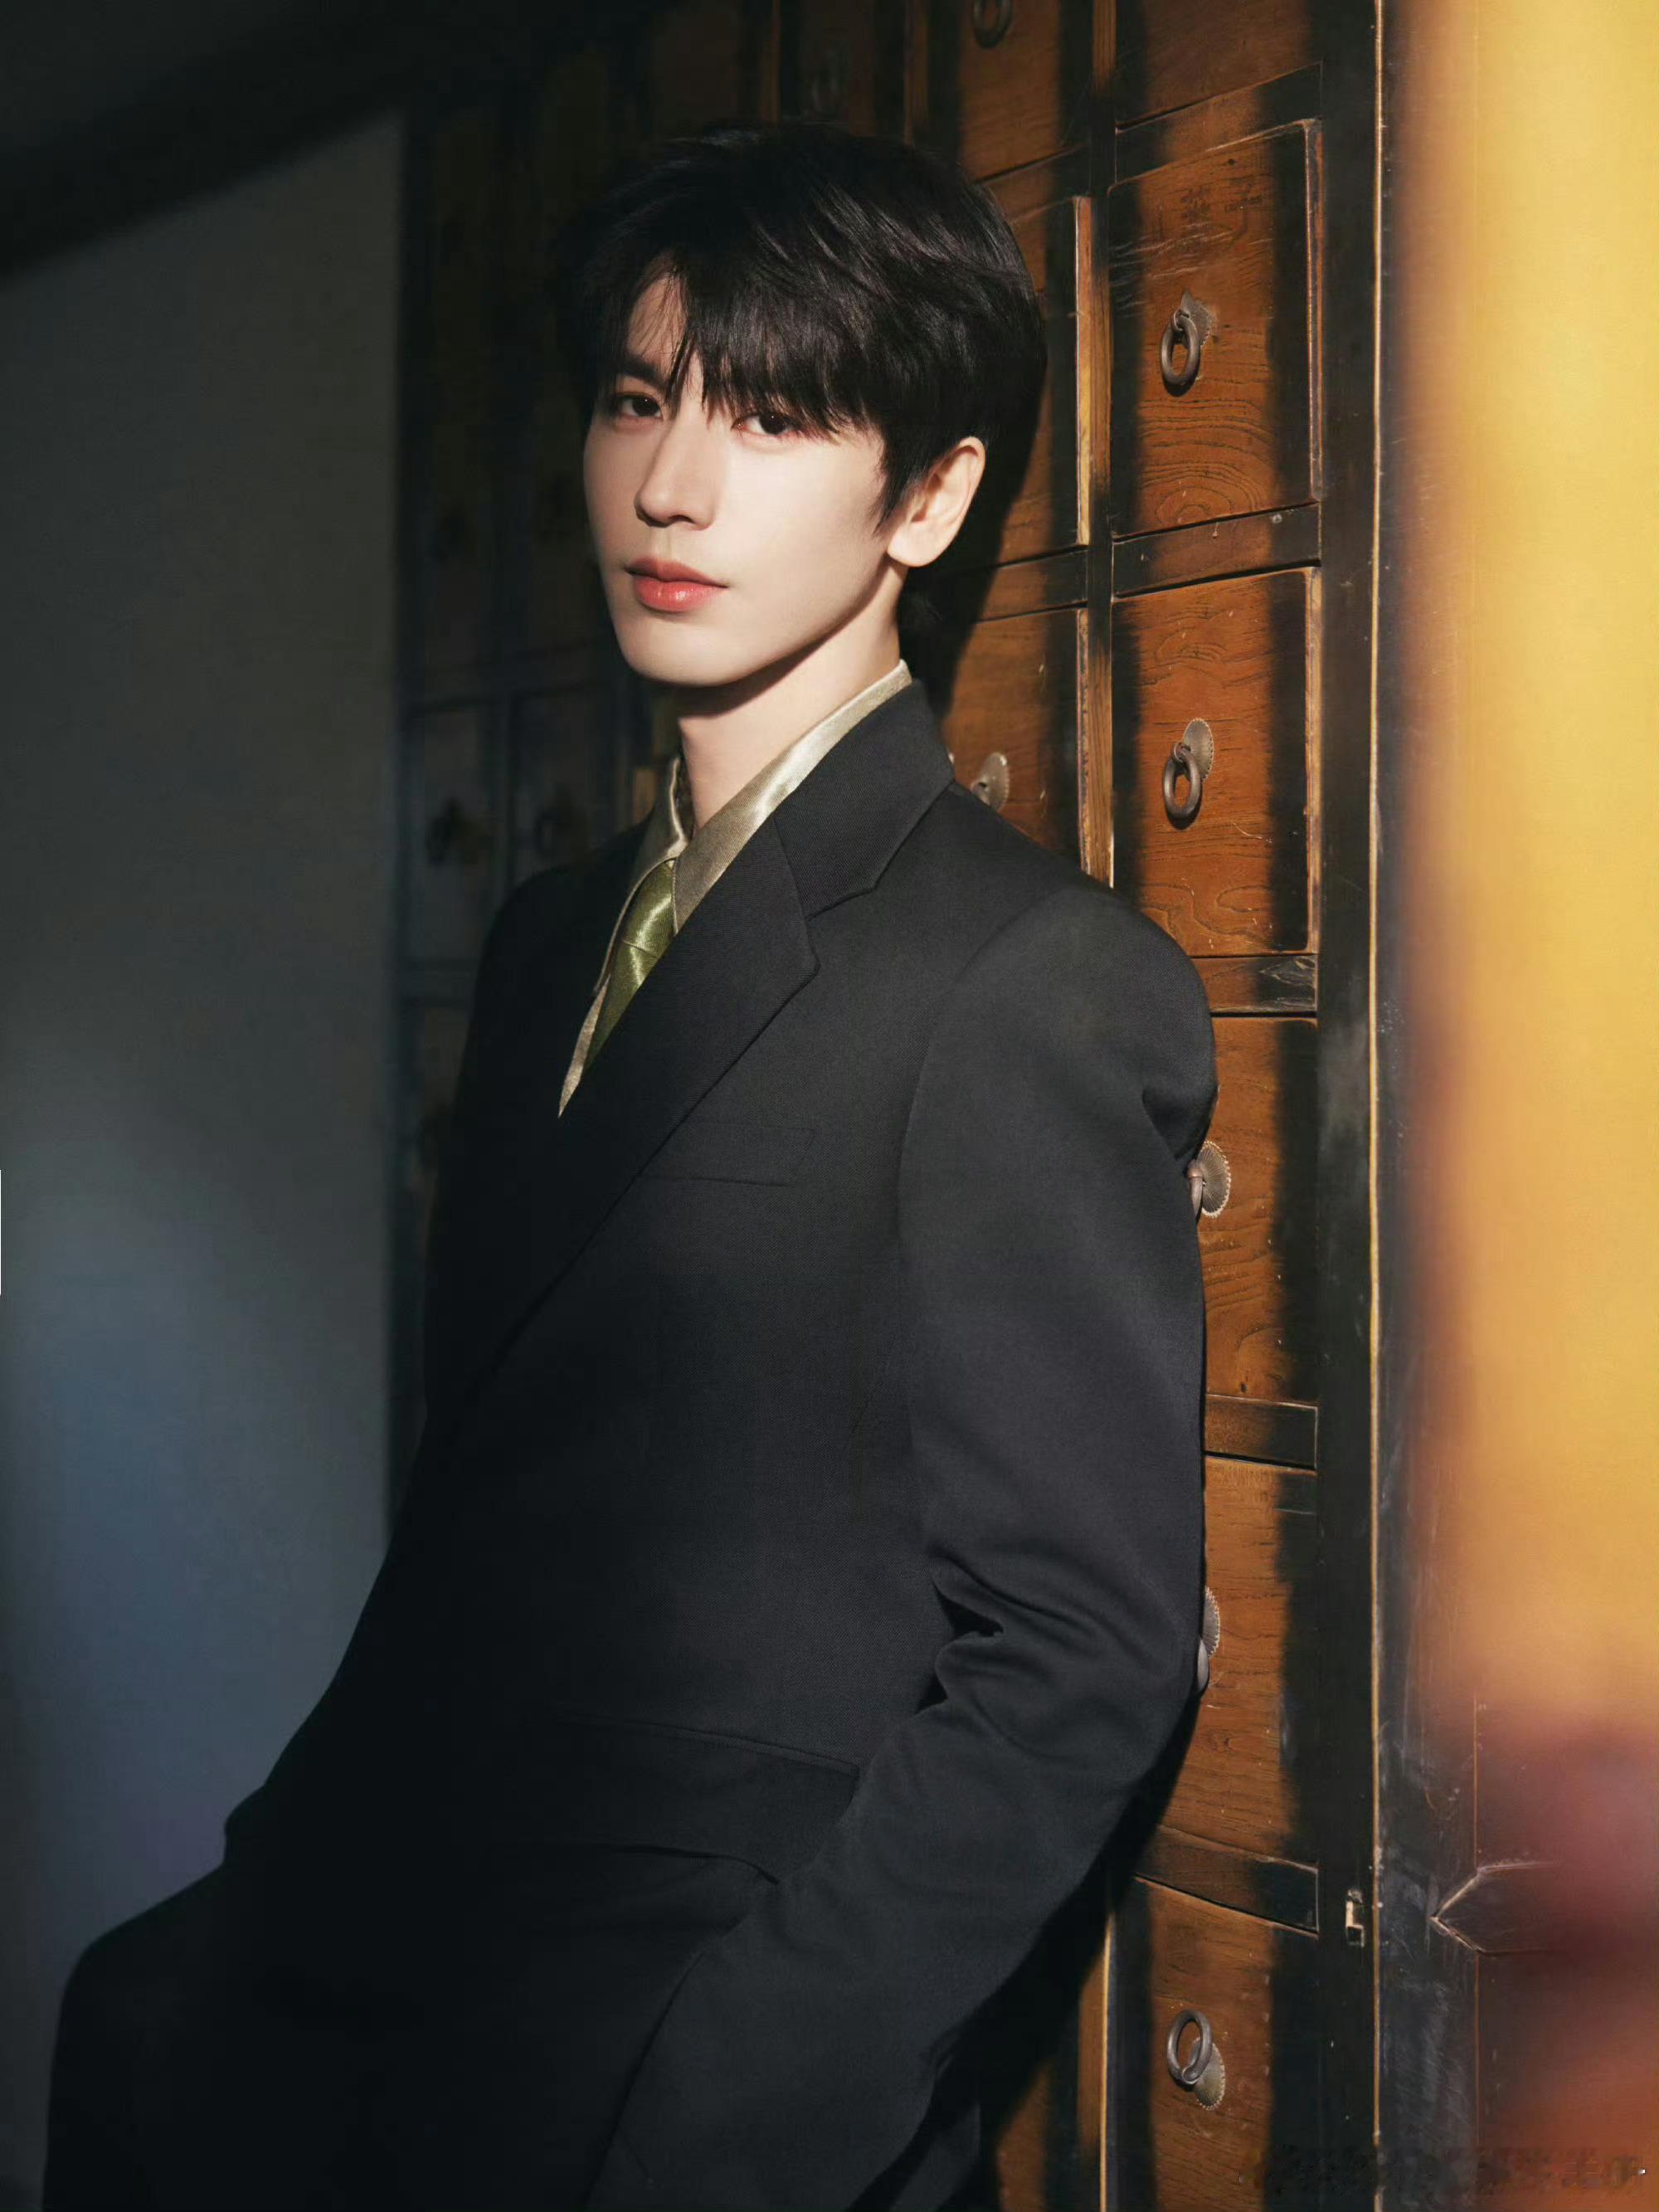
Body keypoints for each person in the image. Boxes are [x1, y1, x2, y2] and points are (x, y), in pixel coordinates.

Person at [43, 119, 1217, 2211]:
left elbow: (1077, 1657)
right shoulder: (546, 939)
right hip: (342, 1986)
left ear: (930, 497)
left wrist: (722, 2112)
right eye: (632, 397)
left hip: (655, 2077)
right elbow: (488, 1515)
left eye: (769, 416)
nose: (670, 485)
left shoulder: (1025, 977)